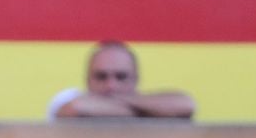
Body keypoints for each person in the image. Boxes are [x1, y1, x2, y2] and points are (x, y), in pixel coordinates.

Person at [48, 41, 196, 121]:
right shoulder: (67, 98)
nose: (111, 85)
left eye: (121, 77)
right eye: (101, 76)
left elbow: (186, 105)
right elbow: (75, 109)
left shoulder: (143, 102)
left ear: (136, 79)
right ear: (87, 80)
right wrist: (150, 112)